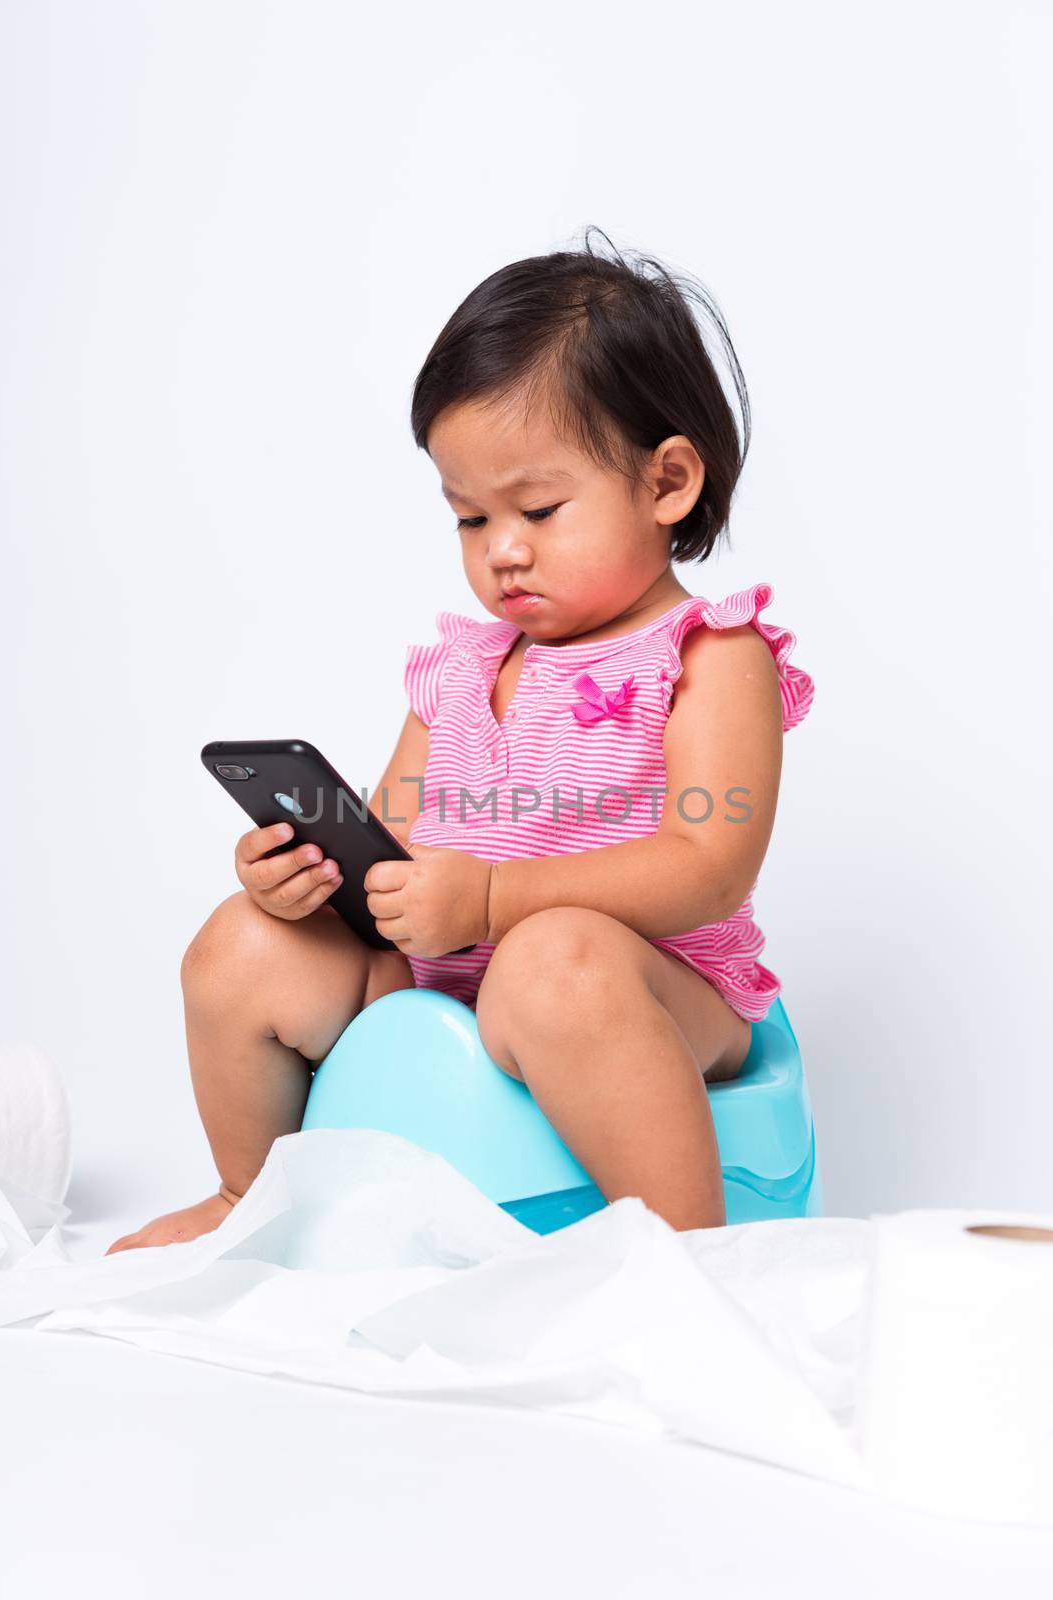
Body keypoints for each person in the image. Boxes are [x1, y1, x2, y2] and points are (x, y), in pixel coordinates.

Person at [106, 228, 814, 1252]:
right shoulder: (463, 667)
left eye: (538, 507)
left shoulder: (710, 654)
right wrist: (314, 877)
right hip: (444, 978)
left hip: (654, 989)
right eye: (471, 519)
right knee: (240, 945)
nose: (504, 551)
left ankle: (687, 1259)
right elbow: (395, 842)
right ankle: (246, 1202)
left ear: (666, 484)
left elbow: (707, 866)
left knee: (553, 962)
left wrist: (491, 899)